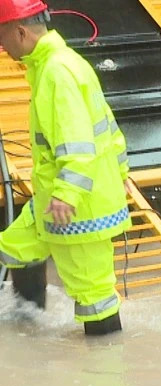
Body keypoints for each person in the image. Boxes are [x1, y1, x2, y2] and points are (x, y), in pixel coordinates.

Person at [0, 0, 130, 335]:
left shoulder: (56, 73)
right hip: (56, 201)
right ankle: (27, 323)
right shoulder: (58, 64)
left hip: (77, 211)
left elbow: (77, 143)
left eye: (2, 39)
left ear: (20, 32)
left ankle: (105, 370)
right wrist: (120, 174)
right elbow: (110, 131)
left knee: (95, 297)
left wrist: (67, 194)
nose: (2, 47)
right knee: (11, 246)